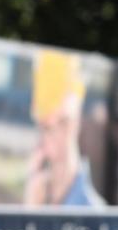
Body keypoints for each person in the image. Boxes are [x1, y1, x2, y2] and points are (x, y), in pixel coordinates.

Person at [24, 51, 105, 207]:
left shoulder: (96, 216)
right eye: (45, 128)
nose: (51, 146)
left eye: (62, 124)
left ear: (76, 122)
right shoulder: (36, 193)